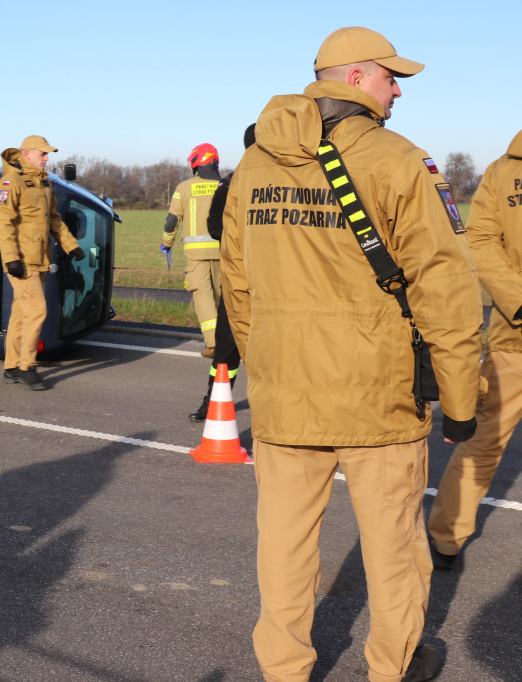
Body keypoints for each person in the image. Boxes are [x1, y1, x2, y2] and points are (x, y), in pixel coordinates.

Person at [221, 27, 483, 682]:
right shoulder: (398, 160)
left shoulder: (255, 163)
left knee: (282, 549)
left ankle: (283, 671)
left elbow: (237, 282)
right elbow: (445, 291)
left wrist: (271, 363)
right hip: (378, 398)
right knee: (396, 552)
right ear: (358, 78)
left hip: (286, 395)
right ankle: (390, 670)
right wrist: (459, 403)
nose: (398, 89)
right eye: (392, 77)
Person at [428, 129, 522, 570]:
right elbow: (481, 241)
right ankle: (445, 538)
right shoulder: (506, 172)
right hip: (516, 336)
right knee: (485, 441)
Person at [0, 135, 84, 390]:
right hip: (22, 261)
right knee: (37, 311)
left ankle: (12, 366)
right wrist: (11, 259)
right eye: (43, 154)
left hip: (39, 258)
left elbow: (53, 219)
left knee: (22, 313)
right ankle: (27, 366)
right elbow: (3, 223)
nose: (47, 158)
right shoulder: (11, 182)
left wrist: (71, 245)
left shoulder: (43, 183)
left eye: (47, 154)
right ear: (27, 154)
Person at [188, 125, 255, 422]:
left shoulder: (229, 184)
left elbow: (215, 228)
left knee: (226, 351)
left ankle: (212, 403)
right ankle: (215, 401)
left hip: (240, 281)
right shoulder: (292, 183)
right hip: (265, 283)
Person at [161, 143, 222, 358]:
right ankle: (233, 341)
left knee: (204, 299)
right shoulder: (226, 185)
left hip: (197, 257)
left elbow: (171, 221)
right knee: (223, 299)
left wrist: (166, 243)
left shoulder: (184, 188)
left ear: (195, 163)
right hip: (224, 253)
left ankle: (214, 344)